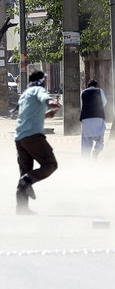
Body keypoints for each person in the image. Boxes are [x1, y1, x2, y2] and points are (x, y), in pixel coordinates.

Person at [15, 71, 61, 215]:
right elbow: (45, 98)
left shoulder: (25, 94)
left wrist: (47, 115)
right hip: (33, 136)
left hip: (19, 138)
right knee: (50, 164)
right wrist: (52, 103)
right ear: (41, 81)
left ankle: (22, 208)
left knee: (24, 172)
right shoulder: (38, 90)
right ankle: (28, 180)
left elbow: (28, 115)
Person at [80, 80, 107, 159]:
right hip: (98, 118)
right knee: (100, 140)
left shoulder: (83, 92)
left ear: (88, 86)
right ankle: (96, 152)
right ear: (96, 85)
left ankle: (86, 160)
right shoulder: (100, 91)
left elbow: (82, 105)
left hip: (86, 119)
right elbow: (104, 102)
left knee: (86, 142)